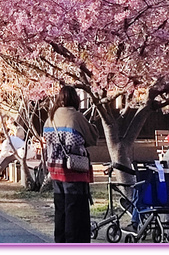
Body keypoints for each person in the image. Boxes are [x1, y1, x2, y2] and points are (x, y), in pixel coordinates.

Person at [44, 85, 98, 243]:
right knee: (75, 211)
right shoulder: (76, 117)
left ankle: (60, 242)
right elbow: (92, 138)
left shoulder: (51, 118)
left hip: (55, 169)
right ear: (75, 99)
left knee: (60, 208)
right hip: (73, 169)